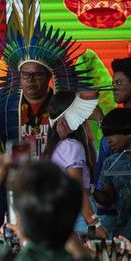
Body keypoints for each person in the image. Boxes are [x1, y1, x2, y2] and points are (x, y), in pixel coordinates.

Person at [0, 0, 93, 158]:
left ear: (49, 76)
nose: (30, 79)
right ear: (19, 77)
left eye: (37, 74)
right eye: (25, 74)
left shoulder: (66, 107)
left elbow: (85, 145)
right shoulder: (4, 109)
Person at [93, 57, 131, 228]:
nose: (113, 87)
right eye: (112, 82)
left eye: (118, 83)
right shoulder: (114, 119)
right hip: (107, 209)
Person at [42, 91, 104, 237]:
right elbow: (77, 190)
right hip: (79, 215)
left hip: (64, 214)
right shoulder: (71, 146)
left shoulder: (57, 146)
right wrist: (95, 223)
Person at [93, 108, 131, 249]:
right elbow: (108, 198)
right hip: (124, 234)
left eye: (112, 134)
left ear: (130, 132)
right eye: (106, 135)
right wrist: (94, 193)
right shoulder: (110, 162)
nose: (108, 140)